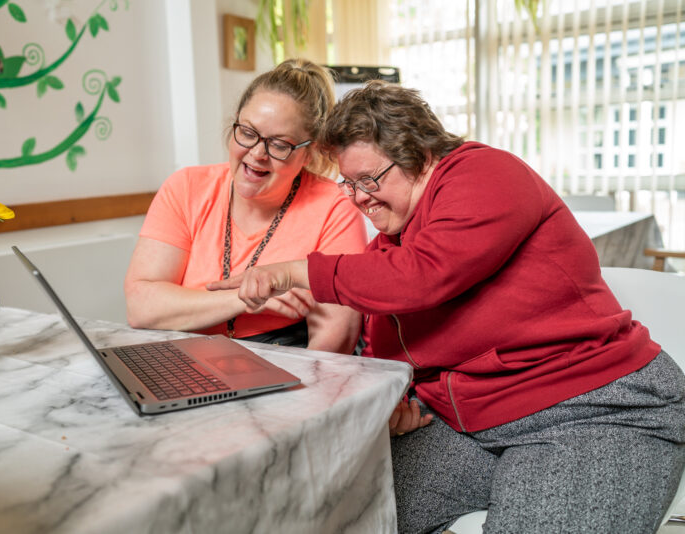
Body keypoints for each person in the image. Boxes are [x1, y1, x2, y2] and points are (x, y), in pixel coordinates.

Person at [207, 80, 685, 533]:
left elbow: (427, 275)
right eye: (347, 184)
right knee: (334, 508)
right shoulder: (396, 237)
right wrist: (399, 397)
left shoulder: (485, 173)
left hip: (591, 408)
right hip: (473, 422)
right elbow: (385, 331)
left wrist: (295, 271)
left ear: (418, 154)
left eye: (367, 179)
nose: (357, 198)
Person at [124, 59, 367, 353]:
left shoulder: (335, 206)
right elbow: (140, 307)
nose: (256, 154)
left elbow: (335, 337)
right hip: (185, 352)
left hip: (287, 354)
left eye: (279, 144)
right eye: (248, 133)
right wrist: (248, 296)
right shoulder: (185, 187)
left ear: (309, 152)